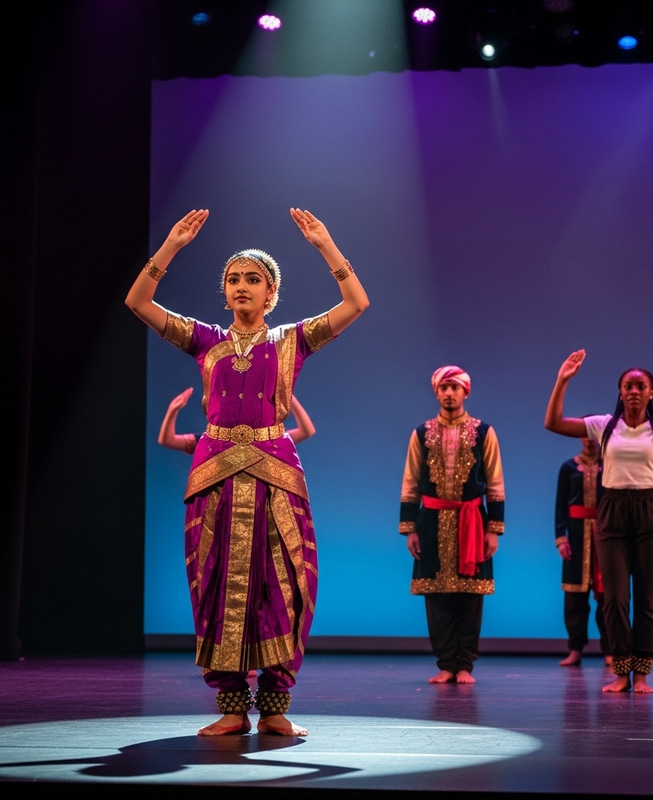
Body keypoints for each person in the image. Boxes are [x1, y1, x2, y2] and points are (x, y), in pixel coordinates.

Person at [125, 207, 369, 735]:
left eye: (252, 279)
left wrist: (326, 245)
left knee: (284, 583)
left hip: (275, 473)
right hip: (214, 473)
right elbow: (138, 302)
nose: (241, 286)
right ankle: (232, 707)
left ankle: (276, 706)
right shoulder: (204, 339)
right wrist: (169, 248)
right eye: (233, 279)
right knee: (213, 583)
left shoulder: (292, 340)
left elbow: (356, 304)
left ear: (271, 294)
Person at [544, 350, 653, 693]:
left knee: (648, 597)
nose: (634, 391)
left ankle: (642, 673)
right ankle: (621, 671)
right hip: (613, 509)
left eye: (641, 386)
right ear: (620, 391)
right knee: (615, 598)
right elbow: (554, 422)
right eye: (628, 386)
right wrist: (562, 380)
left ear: (651, 392)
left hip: (649, 508)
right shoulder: (604, 425)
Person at [399, 366, 505, 685]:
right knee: (437, 596)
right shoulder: (422, 433)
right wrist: (410, 527)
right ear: (436, 392)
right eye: (443, 388)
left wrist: (493, 528)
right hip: (431, 519)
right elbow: (411, 481)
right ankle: (446, 663)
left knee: (470, 597)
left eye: (454, 388)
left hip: (472, 519)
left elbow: (495, 481)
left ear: (465, 392)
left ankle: (465, 666)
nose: (449, 393)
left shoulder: (483, 432)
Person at [554, 436, 611, 667]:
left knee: (608, 598)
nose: (589, 439)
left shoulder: (609, 466)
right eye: (585, 433)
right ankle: (575, 649)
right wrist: (561, 538)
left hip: (604, 536)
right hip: (576, 536)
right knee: (574, 599)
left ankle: (610, 650)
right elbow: (561, 505)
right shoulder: (569, 467)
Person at [157, 387, 316, 453]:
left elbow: (307, 431)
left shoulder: (267, 441)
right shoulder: (211, 442)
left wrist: (286, 393)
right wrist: (172, 410)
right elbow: (168, 440)